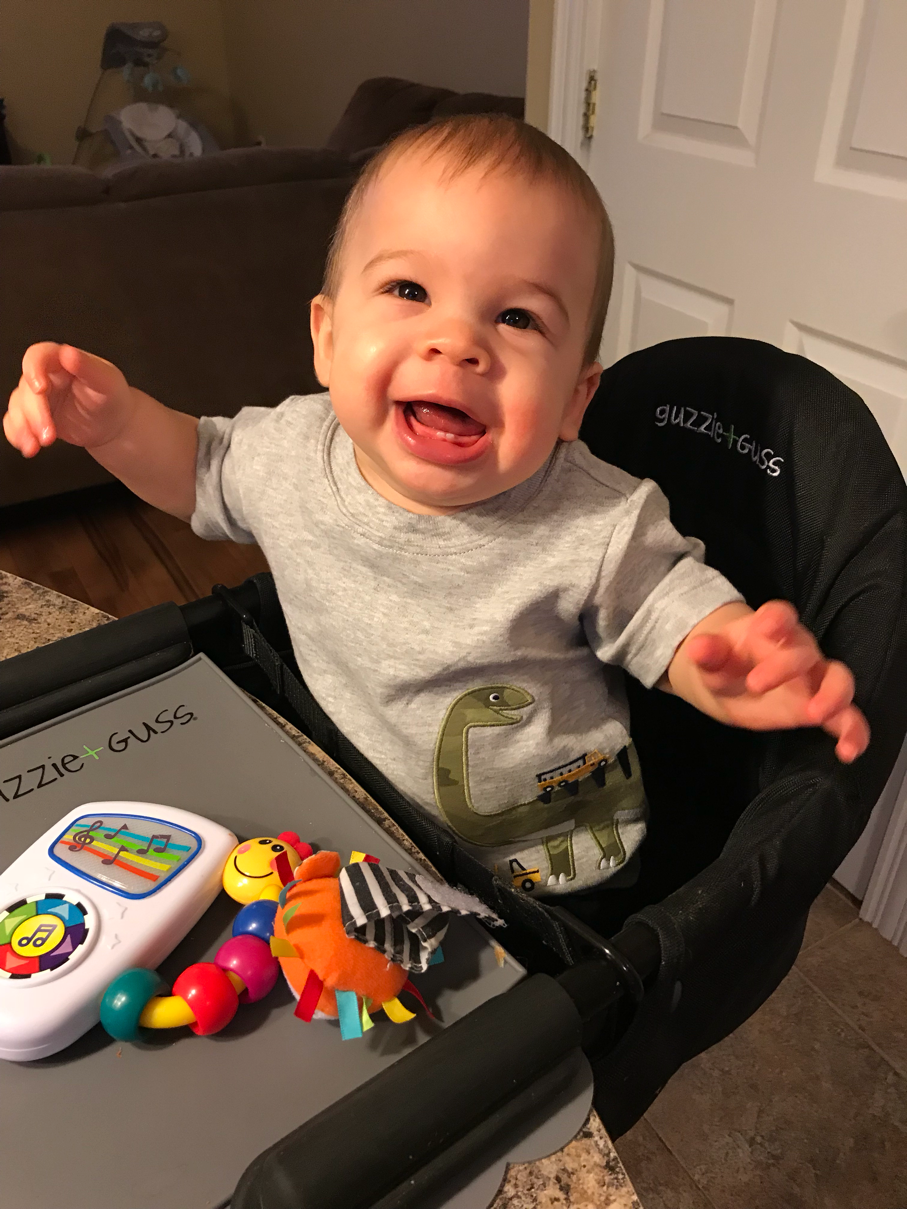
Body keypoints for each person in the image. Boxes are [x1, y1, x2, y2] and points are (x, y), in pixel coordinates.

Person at [4, 115, 869, 896]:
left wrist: (726, 661)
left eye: (518, 317)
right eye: (410, 291)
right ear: (327, 337)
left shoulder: (596, 521)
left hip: (553, 877)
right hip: (364, 823)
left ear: (574, 400)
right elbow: (199, 467)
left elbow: (670, 608)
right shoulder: (290, 451)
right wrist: (117, 423)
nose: (457, 342)